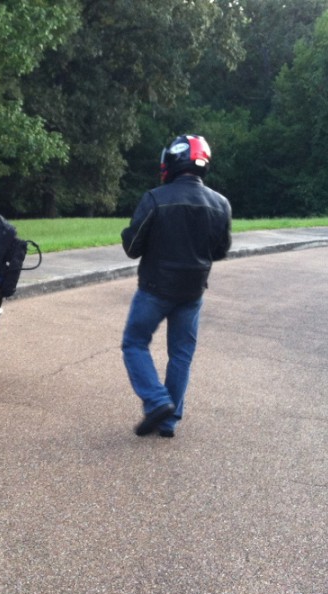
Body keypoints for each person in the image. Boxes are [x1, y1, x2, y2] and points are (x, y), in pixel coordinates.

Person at [119, 135, 232, 438]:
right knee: (181, 354)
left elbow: (133, 246)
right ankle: (168, 421)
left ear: (171, 161)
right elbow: (220, 251)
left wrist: (126, 234)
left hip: (155, 288)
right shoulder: (221, 204)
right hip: (193, 291)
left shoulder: (155, 198)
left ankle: (157, 401)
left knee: (134, 342)